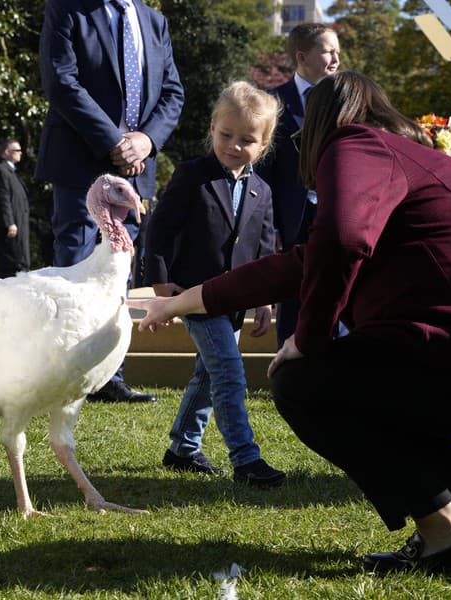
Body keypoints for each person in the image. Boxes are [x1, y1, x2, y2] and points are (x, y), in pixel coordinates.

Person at [129, 72, 451, 574]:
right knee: (373, 386)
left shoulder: (354, 145)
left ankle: (448, 531)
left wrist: (309, 339)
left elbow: (343, 241)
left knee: (305, 384)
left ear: (323, 125)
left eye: (303, 136)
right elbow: (304, 261)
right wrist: (186, 301)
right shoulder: (412, 157)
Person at [36, 0, 185, 403]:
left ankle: (108, 377)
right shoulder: (67, 9)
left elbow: (173, 92)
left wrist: (146, 141)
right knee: (76, 265)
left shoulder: (154, 21)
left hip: (136, 169)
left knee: (120, 272)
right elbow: (61, 81)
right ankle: (64, 374)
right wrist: (114, 141)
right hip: (80, 164)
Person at [144, 81, 285, 486]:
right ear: (212, 128)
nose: (234, 145)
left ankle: (182, 449)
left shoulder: (262, 190)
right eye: (226, 135)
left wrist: (265, 299)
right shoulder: (193, 175)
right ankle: (246, 459)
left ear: (264, 144)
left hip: (236, 300)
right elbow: (160, 230)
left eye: (246, 140)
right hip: (193, 295)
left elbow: (263, 249)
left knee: (208, 374)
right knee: (227, 370)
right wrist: (160, 282)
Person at [256, 22, 340, 348]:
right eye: (328, 51)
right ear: (303, 56)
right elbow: (263, 172)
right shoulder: (272, 103)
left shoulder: (348, 101)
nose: (336, 58)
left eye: (337, 51)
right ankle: (290, 377)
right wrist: (269, 226)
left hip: (337, 215)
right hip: (291, 221)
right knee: (292, 300)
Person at [0, 139, 31, 281]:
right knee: (10, 265)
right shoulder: (1, 170)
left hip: (19, 225)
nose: (21, 153)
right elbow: (3, 199)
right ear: (6, 153)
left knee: (19, 264)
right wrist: (9, 223)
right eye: (17, 150)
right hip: (10, 229)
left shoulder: (11, 172)